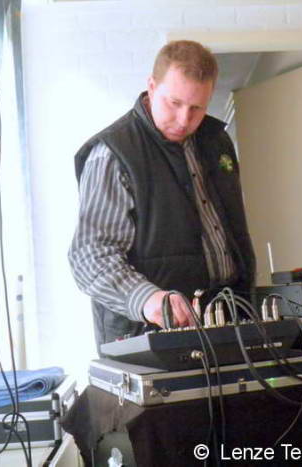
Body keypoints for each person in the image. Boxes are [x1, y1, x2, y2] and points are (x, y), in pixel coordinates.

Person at [68, 40, 256, 350]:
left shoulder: (217, 141)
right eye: (174, 103)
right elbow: (89, 255)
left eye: (197, 108)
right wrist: (147, 299)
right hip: (147, 335)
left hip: (227, 318)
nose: (184, 119)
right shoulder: (113, 153)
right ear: (152, 87)